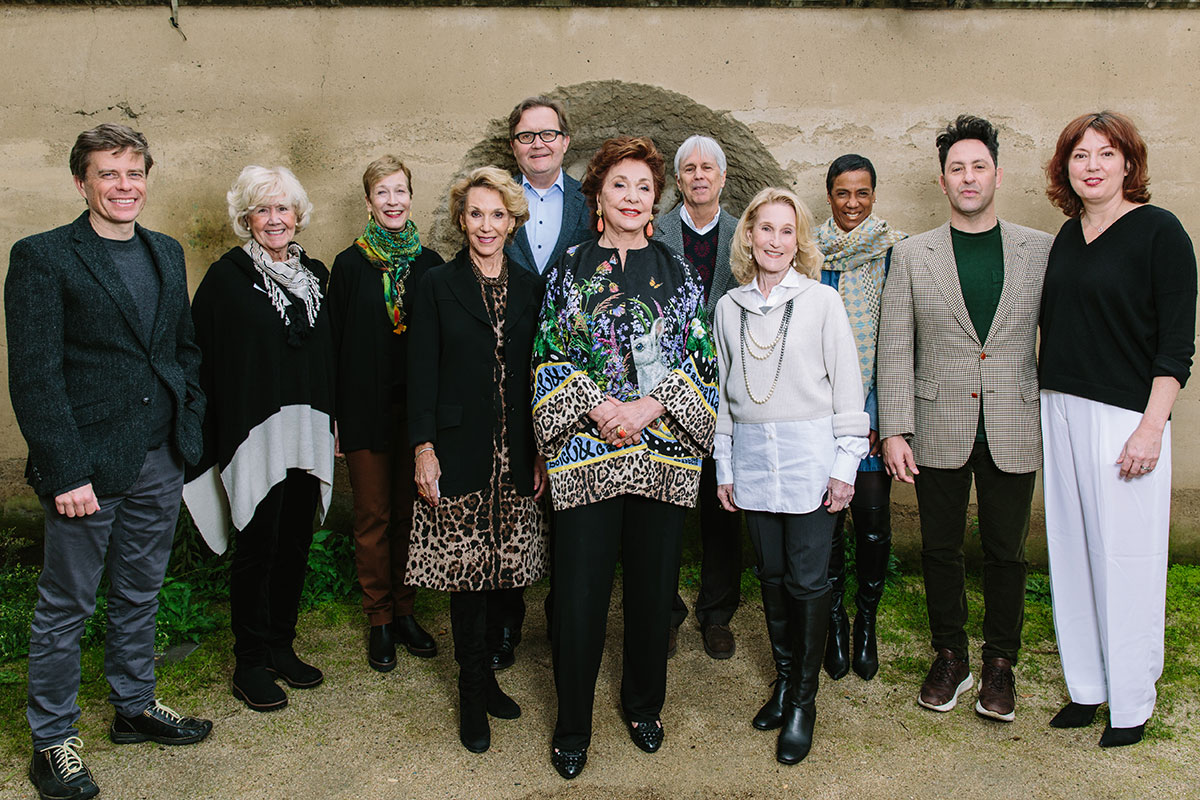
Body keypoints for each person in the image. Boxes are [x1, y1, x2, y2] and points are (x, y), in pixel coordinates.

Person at [7, 123, 211, 800]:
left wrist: (188, 426)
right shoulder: (43, 257)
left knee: (138, 592)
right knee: (66, 605)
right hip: (86, 468)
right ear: (81, 183)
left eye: (134, 173)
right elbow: (36, 377)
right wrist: (64, 472)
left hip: (158, 457)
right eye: (109, 174)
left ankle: (134, 705)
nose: (125, 187)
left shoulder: (165, 250)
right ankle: (54, 740)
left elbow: (181, 350)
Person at [532, 136, 717, 780]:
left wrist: (646, 409)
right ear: (599, 198)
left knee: (650, 592)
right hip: (586, 453)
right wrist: (596, 407)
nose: (633, 197)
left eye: (643, 187)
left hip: (661, 455)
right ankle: (572, 722)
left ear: (653, 199)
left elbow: (700, 359)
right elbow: (547, 354)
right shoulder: (569, 269)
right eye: (620, 186)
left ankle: (643, 706)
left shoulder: (680, 273)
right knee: (578, 596)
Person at [878, 115, 1052, 723]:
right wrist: (894, 429)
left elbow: (1057, 341)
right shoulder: (912, 254)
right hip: (937, 425)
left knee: (1007, 552)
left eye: (979, 166)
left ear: (997, 175)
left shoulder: (1039, 249)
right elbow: (895, 345)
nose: (969, 176)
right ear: (943, 179)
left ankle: (1001, 662)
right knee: (940, 548)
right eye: (957, 168)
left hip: (1013, 423)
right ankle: (951, 655)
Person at [1039, 111, 1196, 748]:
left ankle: (1130, 702)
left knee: (1126, 560)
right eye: (1081, 155)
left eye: (1107, 154)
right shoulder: (1067, 236)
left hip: (1127, 417)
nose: (1093, 165)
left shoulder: (1161, 234)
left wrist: (1152, 426)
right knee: (1072, 554)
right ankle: (1087, 687)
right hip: (1061, 408)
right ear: (1065, 167)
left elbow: (1176, 345)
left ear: (1129, 163)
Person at [714, 187, 868, 764]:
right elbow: (724, 396)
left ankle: (804, 701)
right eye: (765, 229)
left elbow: (848, 388)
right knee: (772, 577)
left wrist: (844, 466)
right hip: (752, 458)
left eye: (786, 231)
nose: (775, 241)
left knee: (807, 582)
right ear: (748, 236)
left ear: (797, 241)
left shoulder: (822, 303)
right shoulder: (729, 309)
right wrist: (725, 465)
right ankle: (783, 682)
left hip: (810, 459)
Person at [404, 165, 548, 754]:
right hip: (458, 450)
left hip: (514, 451)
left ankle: (488, 677)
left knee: (503, 570)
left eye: (497, 215)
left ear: (513, 221)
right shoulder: (437, 284)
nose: (485, 225)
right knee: (465, 573)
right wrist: (423, 447)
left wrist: (540, 448)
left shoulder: (531, 286)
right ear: (461, 220)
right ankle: (470, 689)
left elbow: (541, 375)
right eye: (475, 214)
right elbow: (420, 372)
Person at [183, 165, 335, 714]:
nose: (275, 219)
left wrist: (338, 421)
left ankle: (280, 645)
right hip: (254, 434)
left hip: (310, 429)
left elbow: (331, 354)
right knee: (258, 543)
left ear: (298, 215)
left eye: (283, 208)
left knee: (295, 540)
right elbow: (201, 359)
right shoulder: (226, 279)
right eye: (263, 209)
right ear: (245, 218)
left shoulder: (316, 274)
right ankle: (249, 661)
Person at [328, 156, 442, 672]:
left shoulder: (431, 266)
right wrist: (333, 416)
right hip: (364, 411)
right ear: (368, 201)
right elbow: (332, 346)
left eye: (400, 191)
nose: (393, 201)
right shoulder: (349, 266)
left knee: (409, 515)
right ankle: (378, 619)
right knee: (372, 517)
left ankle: (404, 610)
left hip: (415, 416)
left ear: (411, 198)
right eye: (382, 193)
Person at [492, 96, 593, 671]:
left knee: (568, 500)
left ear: (564, 141)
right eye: (527, 136)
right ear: (514, 146)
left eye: (548, 134)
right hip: (506, 371)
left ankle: (564, 617)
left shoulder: (588, 201)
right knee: (511, 494)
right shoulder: (496, 201)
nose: (538, 143)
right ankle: (506, 623)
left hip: (574, 374)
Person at [814, 154, 907, 681]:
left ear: (874, 195)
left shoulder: (895, 253)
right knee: (826, 524)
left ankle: (865, 621)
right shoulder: (810, 252)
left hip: (873, 413)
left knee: (871, 526)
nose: (853, 203)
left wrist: (877, 417)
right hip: (821, 415)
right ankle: (834, 618)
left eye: (863, 193)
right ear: (830, 195)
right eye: (843, 193)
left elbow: (897, 340)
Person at [654, 134, 743, 660]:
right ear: (679, 179)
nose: (700, 175)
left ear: (723, 178)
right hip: (665, 393)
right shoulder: (654, 232)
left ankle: (717, 613)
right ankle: (662, 613)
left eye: (709, 168)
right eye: (689, 168)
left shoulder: (743, 234)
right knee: (664, 507)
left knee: (721, 508)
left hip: (727, 395)